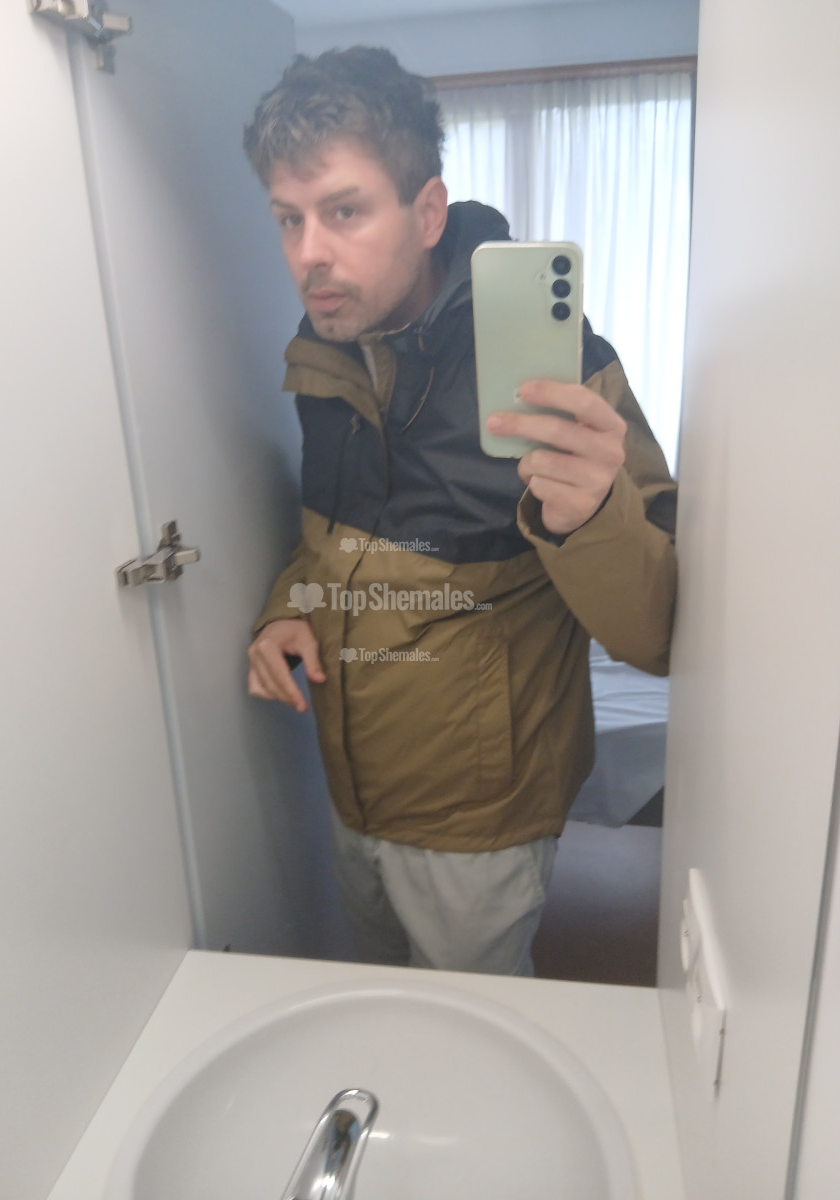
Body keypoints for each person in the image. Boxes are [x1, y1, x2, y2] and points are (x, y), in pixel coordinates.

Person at [243, 46, 677, 977]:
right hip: (350, 793)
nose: (309, 253)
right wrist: (287, 608)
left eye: (344, 211)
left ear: (428, 211)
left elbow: (658, 635)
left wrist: (588, 517)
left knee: (474, 1033)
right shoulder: (326, 353)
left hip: (480, 823)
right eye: (289, 218)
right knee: (385, 1004)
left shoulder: (564, 369)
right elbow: (329, 546)